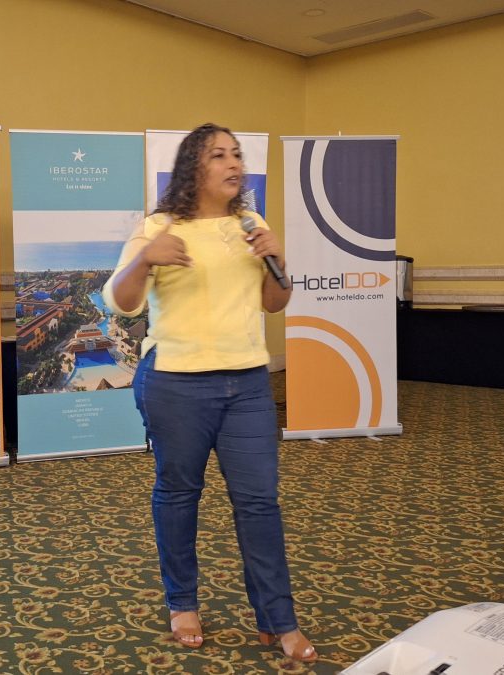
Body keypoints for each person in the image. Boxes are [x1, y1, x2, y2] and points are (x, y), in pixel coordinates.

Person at [101, 123, 316, 663]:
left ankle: (277, 618)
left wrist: (280, 263)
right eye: (219, 155)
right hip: (176, 383)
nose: (234, 163)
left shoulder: (251, 224)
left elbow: (274, 303)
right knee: (179, 494)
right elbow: (120, 302)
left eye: (236, 154)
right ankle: (183, 603)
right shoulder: (160, 227)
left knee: (259, 501)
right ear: (193, 166)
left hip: (248, 384)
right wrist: (145, 258)